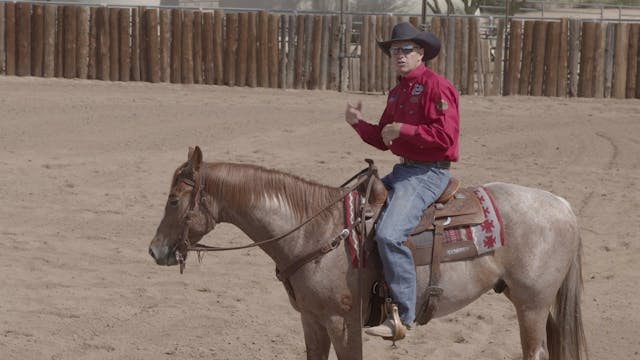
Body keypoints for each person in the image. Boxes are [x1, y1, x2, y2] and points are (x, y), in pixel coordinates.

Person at [345, 22, 460, 339]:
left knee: (390, 235)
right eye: (395, 50)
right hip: (404, 170)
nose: (399, 55)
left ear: (421, 53)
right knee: (354, 209)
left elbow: (447, 137)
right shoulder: (397, 92)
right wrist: (357, 124)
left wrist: (405, 131)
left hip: (430, 172)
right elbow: (383, 139)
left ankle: (403, 316)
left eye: (406, 49)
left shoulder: (437, 87)